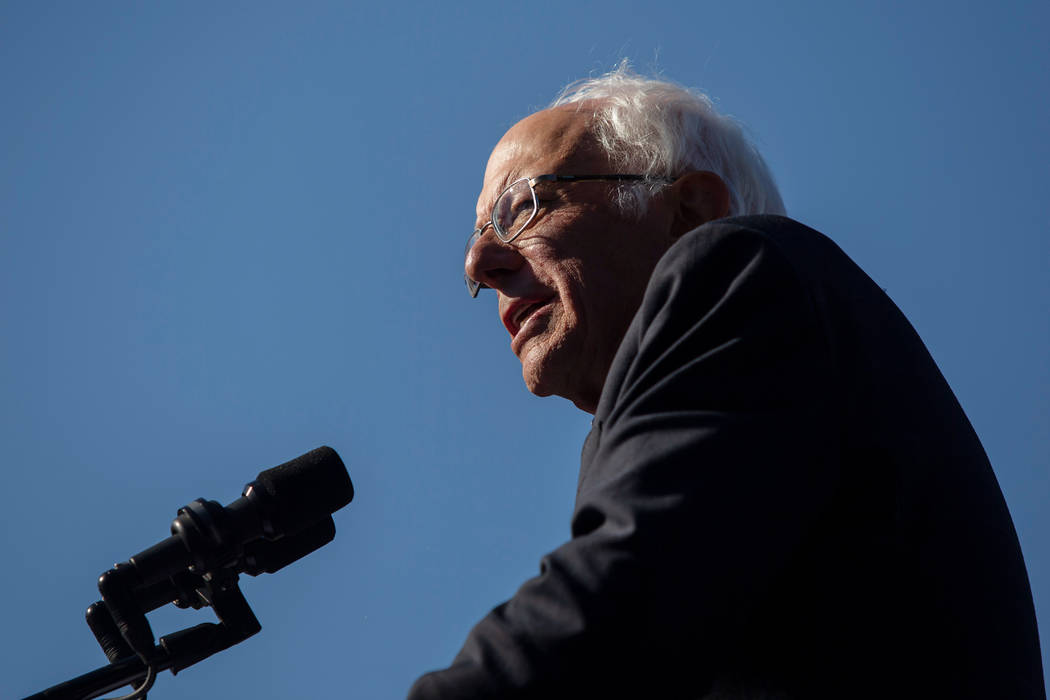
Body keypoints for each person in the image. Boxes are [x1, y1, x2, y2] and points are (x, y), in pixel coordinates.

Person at [409, 66, 1045, 699]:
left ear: (688, 212)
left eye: (522, 207)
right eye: (478, 238)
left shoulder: (738, 270)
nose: (480, 263)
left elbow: (623, 604)